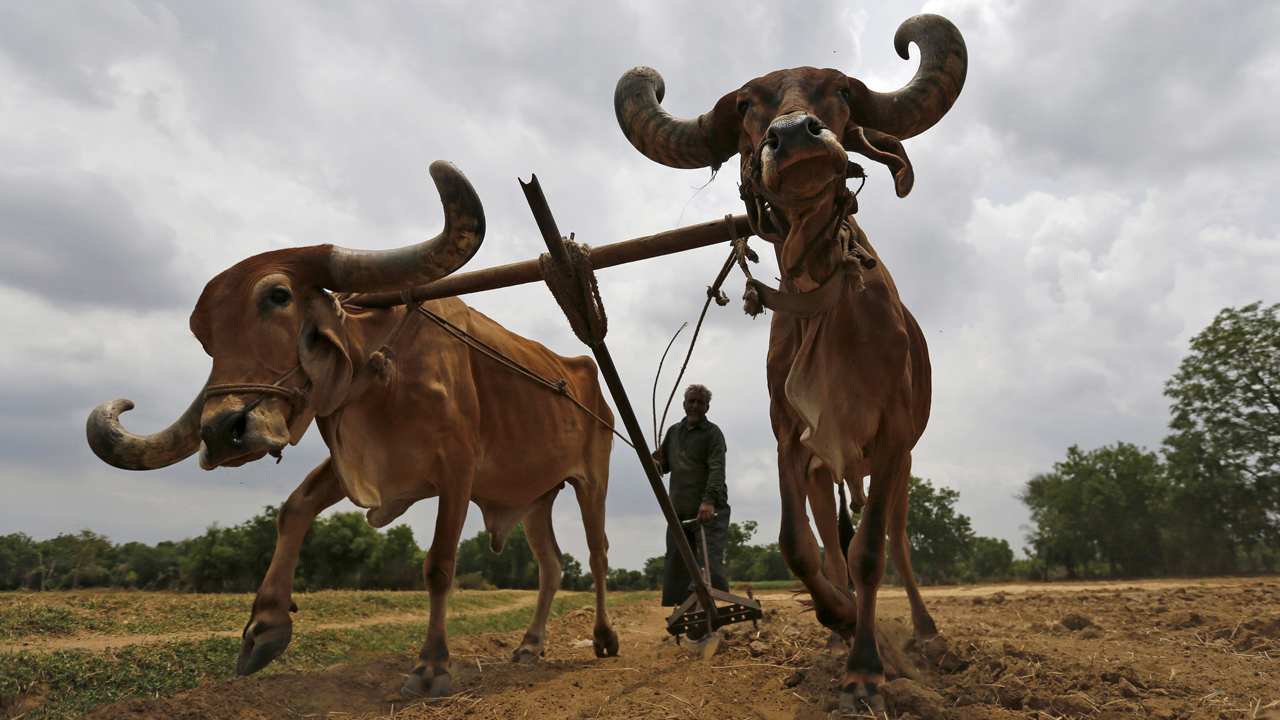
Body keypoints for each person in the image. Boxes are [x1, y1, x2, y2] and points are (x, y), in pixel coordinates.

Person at [651, 384, 730, 607]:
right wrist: (656, 462)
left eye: (700, 402)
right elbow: (664, 466)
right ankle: (689, 613)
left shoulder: (712, 433)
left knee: (709, 564)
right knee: (677, 565)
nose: (695, 406)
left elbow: (717, 469)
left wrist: (708, 502)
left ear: (707, 407)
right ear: (684, 404)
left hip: (709, 511)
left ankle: (705, 608)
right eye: (691, 401)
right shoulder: (673, 432)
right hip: (679, 510)